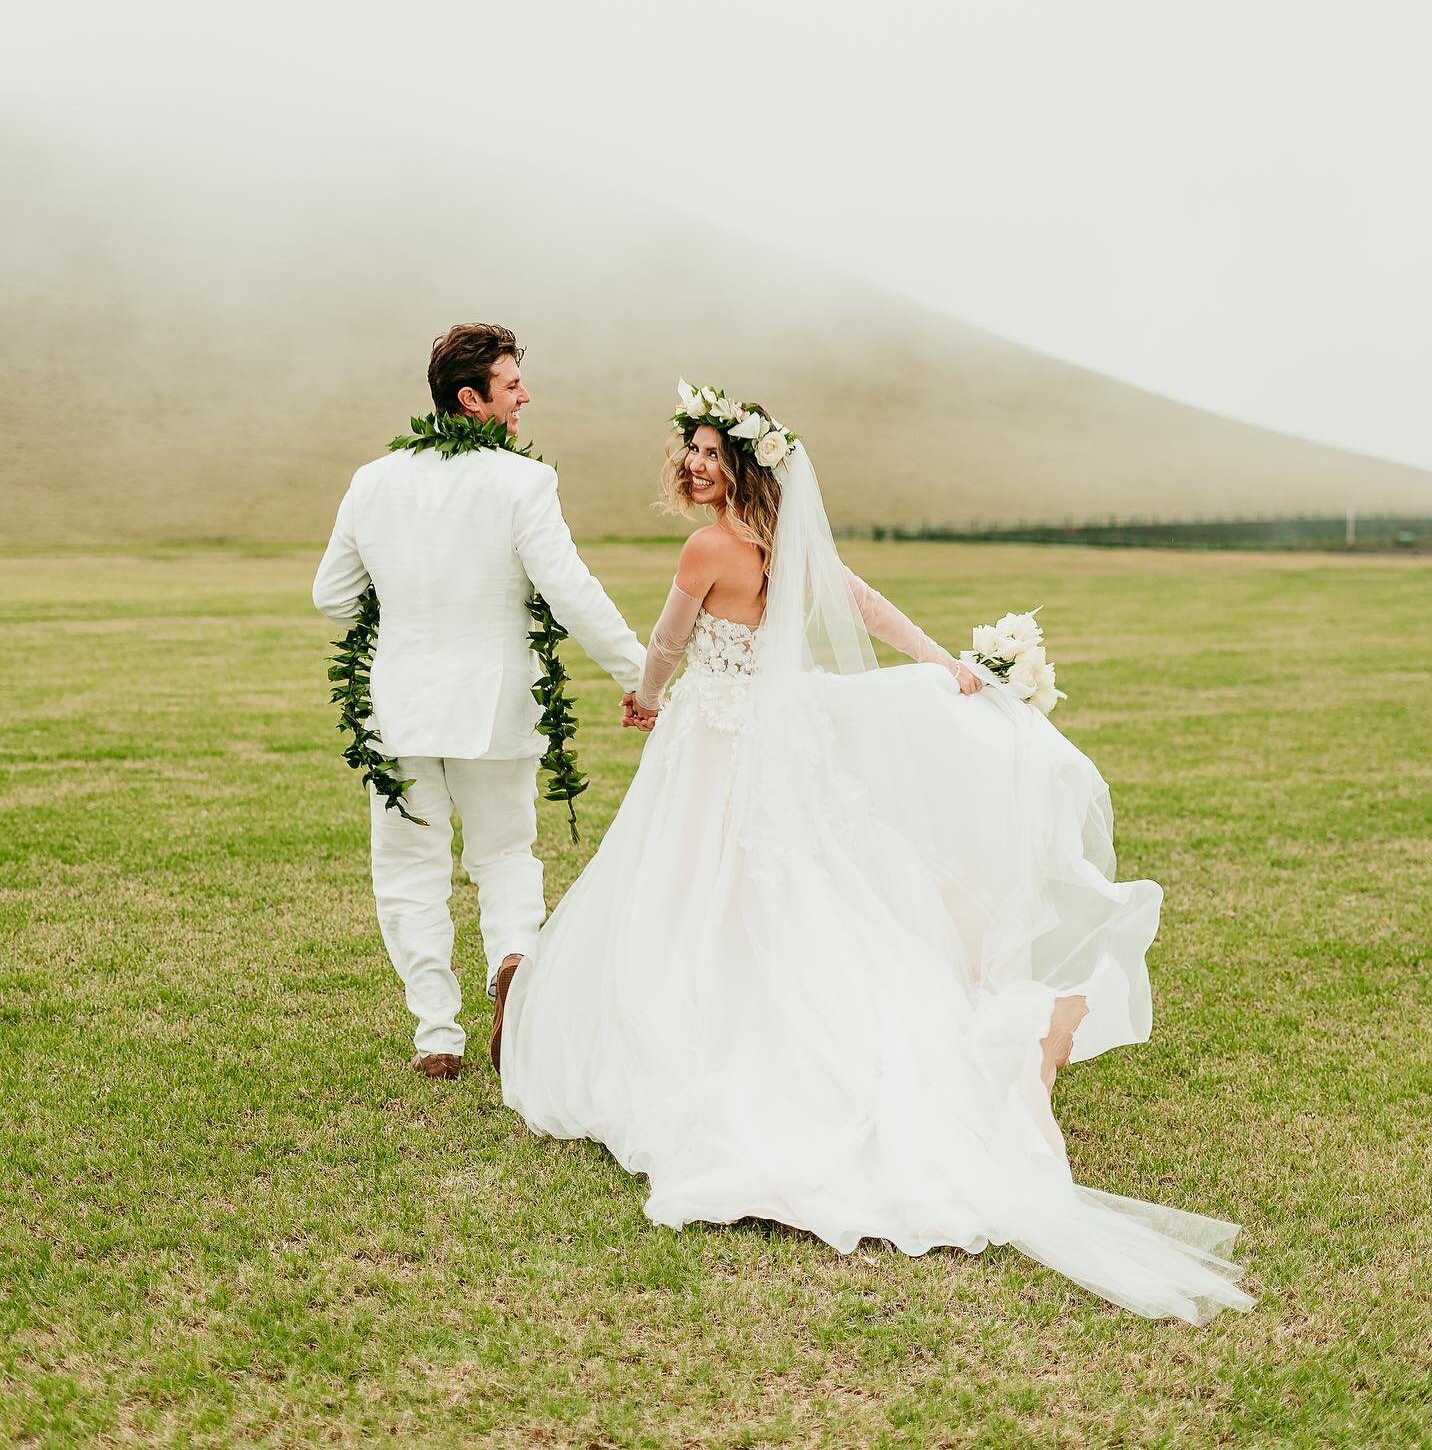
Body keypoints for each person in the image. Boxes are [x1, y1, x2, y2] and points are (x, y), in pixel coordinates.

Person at [498, 385, 1254, 1321]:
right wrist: (941, 662)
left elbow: (667, 642)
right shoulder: (783, 547)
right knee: (785, 885)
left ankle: (704, 1036)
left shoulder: (705, 549)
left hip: (714, 742)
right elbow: (861, 601)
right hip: (779, 741)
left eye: (705, 452)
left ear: (740, 466)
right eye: (686, 450)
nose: (691, 465)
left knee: (691, 883)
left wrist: (648, 697)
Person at [312, 323, 647, 1079]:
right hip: (495, 706)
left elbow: (330, 595)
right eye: (511, 382)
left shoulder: (375, 480)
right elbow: (571, 593)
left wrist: (399, 606)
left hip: (397, 707)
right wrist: (637, 673)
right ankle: (514, 965)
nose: (525, 393)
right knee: (502, 853)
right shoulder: (521, 482)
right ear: (472, 398)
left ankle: (437, 1034)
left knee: (407, 868)